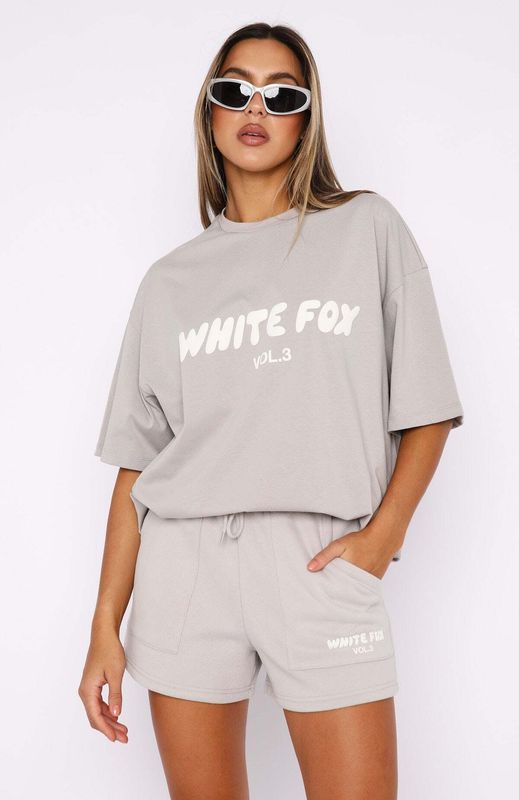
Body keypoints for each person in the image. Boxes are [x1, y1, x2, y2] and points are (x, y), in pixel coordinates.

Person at [78, 21, 464, 800]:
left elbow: (426, 406)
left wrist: (382, 537)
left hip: (318, 559)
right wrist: (103, 629)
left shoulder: (367, 229)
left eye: (281, 95)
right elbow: (137, 467)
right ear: (210, 111)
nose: (255, 108)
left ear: (305, 118)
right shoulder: (169, 282)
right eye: (235, 90)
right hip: (186, 566)